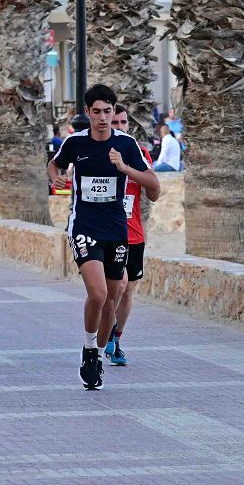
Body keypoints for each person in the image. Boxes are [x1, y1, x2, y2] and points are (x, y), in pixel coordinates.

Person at [47, 84, 159, 390]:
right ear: (87, 113)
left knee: (113, 297)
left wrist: (123, 168)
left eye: (108, 112)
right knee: (97, 294)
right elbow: (54, 163)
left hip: (116, 230)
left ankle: (97, 353)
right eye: (96, 112)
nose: (102, 118)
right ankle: (88, 347)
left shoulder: (126, 145)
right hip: (84, 226)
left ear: (114, 112)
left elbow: (154, 187)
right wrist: (55, 175)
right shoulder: (75, 143)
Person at [104, 104, 160, 367]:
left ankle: (115, 339)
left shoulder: (139, 154)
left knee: (128, 292)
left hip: (134, 234)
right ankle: (101, 335)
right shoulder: (97, 152)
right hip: (106, 232)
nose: (118, 127)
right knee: (120, 284)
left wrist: (128, 168)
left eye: (122, 123)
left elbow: (154, 191)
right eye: (114, 123)